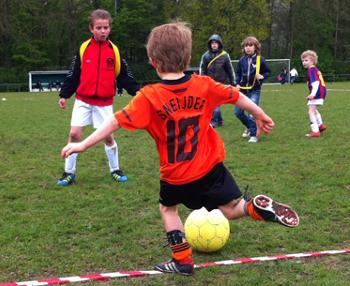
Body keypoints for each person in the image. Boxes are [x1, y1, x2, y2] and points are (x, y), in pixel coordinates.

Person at [60, 23, 299, 276]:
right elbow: (235, 95)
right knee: (230, 209)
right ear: (188, 58)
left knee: (168, 209)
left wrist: (83, 143)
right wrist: (260, 114)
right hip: (210, 169)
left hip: (176, 175)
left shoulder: (149, 96)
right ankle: (254, 208)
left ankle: (183, 261)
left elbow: (114, 121)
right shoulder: (204, 84)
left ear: (153, 61)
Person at [57, 9, 140, 186]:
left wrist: (136, 91)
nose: (103, 31)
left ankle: (115, 169)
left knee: (108, 137)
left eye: (106, 27)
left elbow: (125, 75)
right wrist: (64, 94)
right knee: (74, 134)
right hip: (83, 101)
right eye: (99, 28)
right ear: (91, 28)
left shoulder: (114, 51)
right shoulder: (83, 48)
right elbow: (73, 74)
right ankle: (68, 173)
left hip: (104, 103)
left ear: (110, 28)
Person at [234, 36, 270, 143]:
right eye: (246, 46)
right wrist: (236, 83)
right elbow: (238, 73)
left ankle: (254, 135)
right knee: (238, 112)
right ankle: (249, 127)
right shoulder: (241, 60)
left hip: (255, 90)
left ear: (255, 47)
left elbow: (268, 72)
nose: (248, 48)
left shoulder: (260, 60)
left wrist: (262, 76)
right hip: (242, 90)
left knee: (252, 112)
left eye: (250, 45)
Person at [199, 34, 235, 128]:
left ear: (219, 44)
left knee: (216, 103)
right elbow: (202, 70)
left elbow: (230, 70)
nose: (214, 45)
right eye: (212, 43)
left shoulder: (225, 55)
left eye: (216, 43)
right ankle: (216, 121)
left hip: (222, 83)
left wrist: (233, 82)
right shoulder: (205, 56)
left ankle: (217, 121)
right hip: (210, 84)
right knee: (215, 103)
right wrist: (203, 82)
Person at [301, 50, 327, 137]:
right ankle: (320, 125)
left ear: (312, 61)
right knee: (313, 109)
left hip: (317, 93)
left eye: (306, 60)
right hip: (322, 92)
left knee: (310, 112)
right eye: (303, 60)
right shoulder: (315, 69)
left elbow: (315, 83)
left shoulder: (311, 69)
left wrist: (312, 94)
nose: (303, 62)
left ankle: (315, 131)